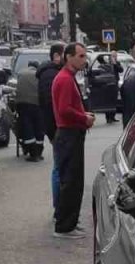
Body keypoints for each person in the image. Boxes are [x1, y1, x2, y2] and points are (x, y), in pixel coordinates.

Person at [51, 43, 96, 238]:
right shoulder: (64, 80)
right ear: (68, 57)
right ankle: (64, 226)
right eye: (80, 56)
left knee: (74, 180)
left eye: (85, 56)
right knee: (70, 181)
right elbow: (64, 110)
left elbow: (69, 107)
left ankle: (69, 221)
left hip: (71, 133)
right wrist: (83, 118)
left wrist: (82, 113)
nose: (84, 60)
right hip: (69, 135)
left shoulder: (67, 78)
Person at [37, 45, 65, 203]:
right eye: (64, 54)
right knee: (59, 166)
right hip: (56, 127)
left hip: (53, 126)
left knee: (60, 164)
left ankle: (60, 206)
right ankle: (59, 207)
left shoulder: (50, 73)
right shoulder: (50, 75)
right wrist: (56, 130)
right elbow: (50, 105)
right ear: (56, 56)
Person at [13, 61, 45, 161]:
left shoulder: (21, 73)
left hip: (22, 104)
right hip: (37, 104)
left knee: (28, 127)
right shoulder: (39, 74)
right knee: (39, 127)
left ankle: (32, 153)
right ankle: (38, 153)